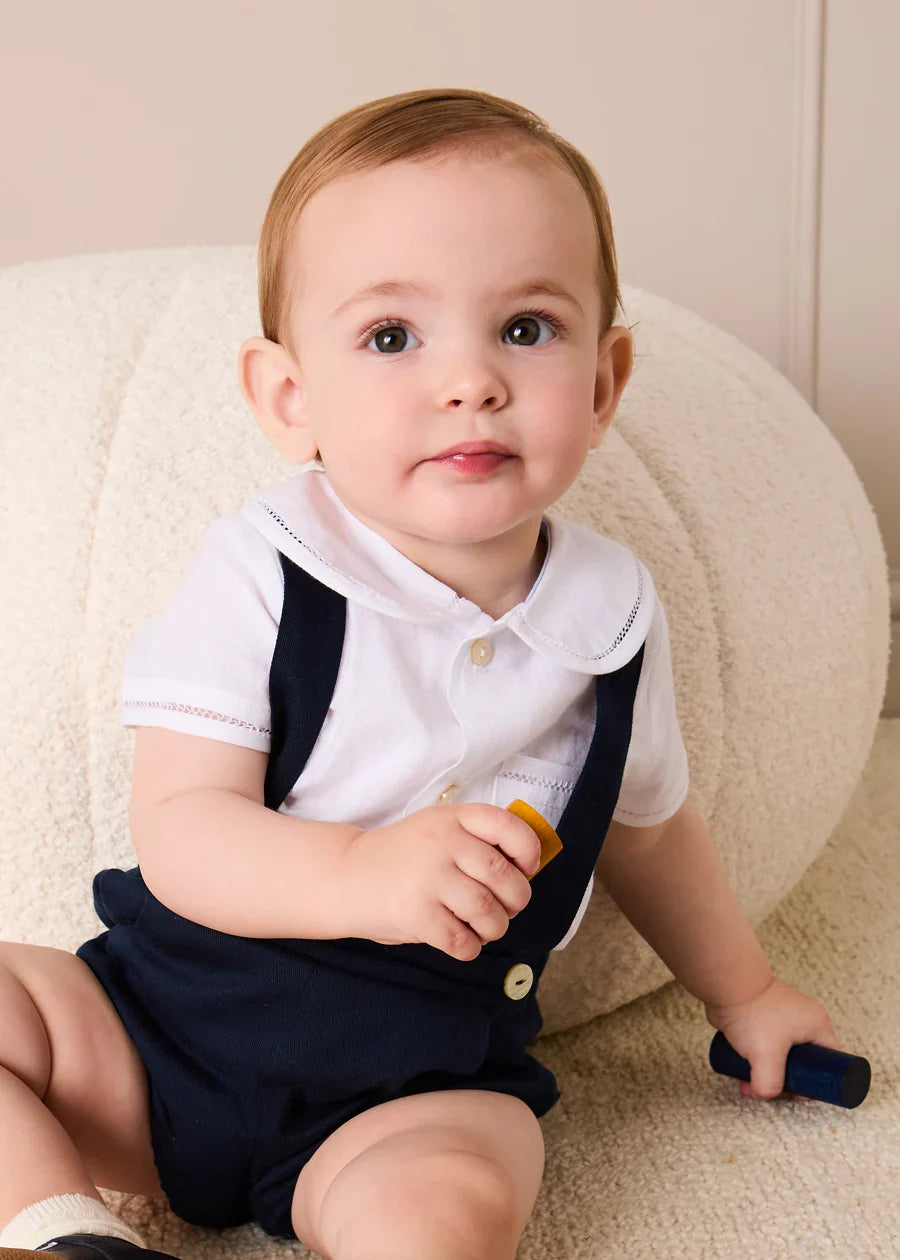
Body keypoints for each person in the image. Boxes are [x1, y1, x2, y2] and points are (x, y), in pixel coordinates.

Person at [0, 87, 841, 1260]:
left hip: (414, 1088)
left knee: (453, 1199)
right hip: (152, 1037)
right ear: (290, 399)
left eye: (527, 329)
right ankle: (62, 1233)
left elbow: (650, 832)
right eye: (394, 337)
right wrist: (359, 872)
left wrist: (744, 993)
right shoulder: (263, 571)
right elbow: (184, 826)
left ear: (605, 383)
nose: (471, 381)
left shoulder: (609, 618)